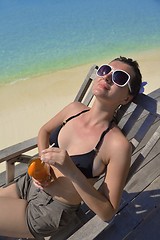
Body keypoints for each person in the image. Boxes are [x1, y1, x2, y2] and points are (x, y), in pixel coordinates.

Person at [0, 56, 142, 239]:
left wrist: (71, 171)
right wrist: (43, 165)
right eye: (106, 70)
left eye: (120, 78)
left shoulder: (117, 146)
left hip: (49, 210)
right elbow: (44, 131)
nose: (107, 77)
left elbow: (107, 212)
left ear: (126, 98)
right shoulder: (74, 109)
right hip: (28, 183)